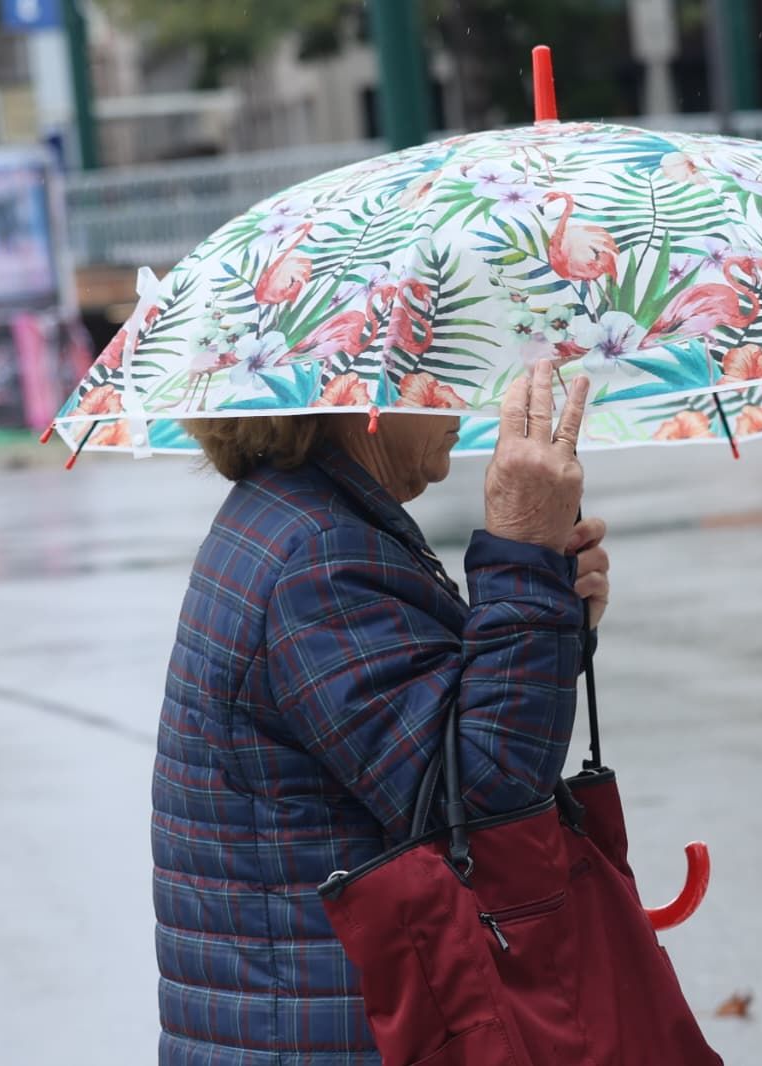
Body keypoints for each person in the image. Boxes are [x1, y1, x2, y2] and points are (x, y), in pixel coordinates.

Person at [154, 360, 608, 1064]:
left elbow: (423, 728)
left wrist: (548, 606)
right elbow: (482, 796)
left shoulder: (291, 515)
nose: (465, 395)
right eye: (443, 370)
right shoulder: (320, 555)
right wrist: (522, 559)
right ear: (362, 393)